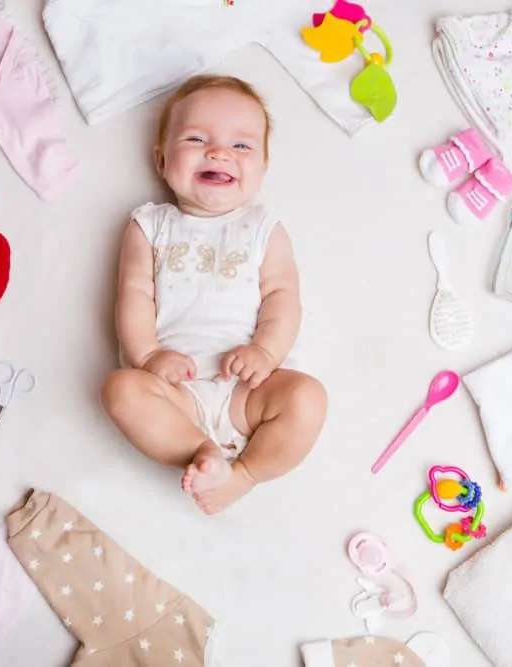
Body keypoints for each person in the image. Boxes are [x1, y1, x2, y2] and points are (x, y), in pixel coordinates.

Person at [101, 75, 327, 515]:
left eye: (241, 146)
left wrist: (265, 351)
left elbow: (284, 295)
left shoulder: (264, 227)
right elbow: (132, 295)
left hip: (248, 391)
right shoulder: (149, 226)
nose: (219, 152)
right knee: (119, 390)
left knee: (308, 399)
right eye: (196, 138)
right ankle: (199, 449)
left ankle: (243, 475)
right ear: (162, 159)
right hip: (173, 391)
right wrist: (148, 358)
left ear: (262, 168)